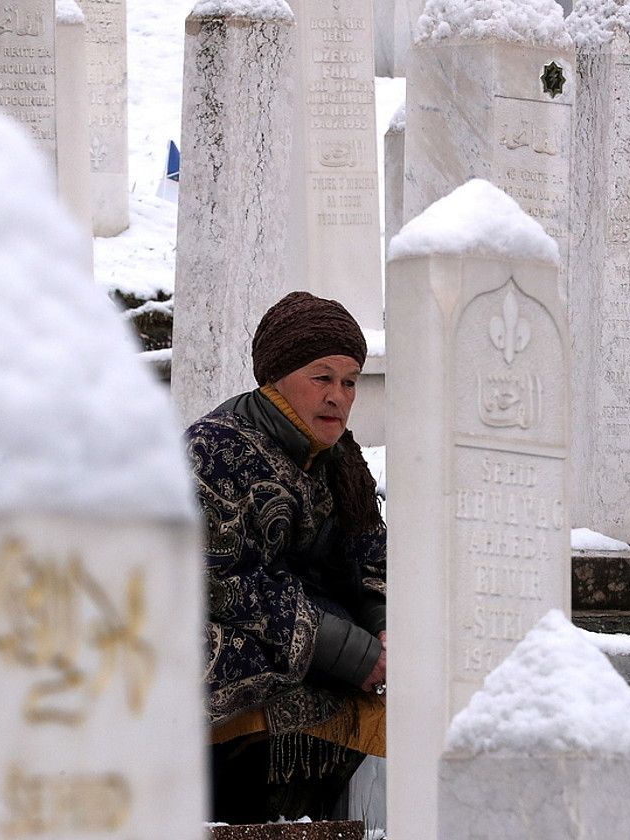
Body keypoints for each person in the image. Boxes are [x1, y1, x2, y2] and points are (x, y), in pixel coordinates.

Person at [186, 291, 387, 824]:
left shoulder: (340, 461)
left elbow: (370, 559)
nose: (338, 397)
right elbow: (219, 580)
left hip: (316, 643)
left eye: (350, 382)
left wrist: (385, 630)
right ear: (275, 377)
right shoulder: (216, 449)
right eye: (322, 377)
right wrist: (356, 654)